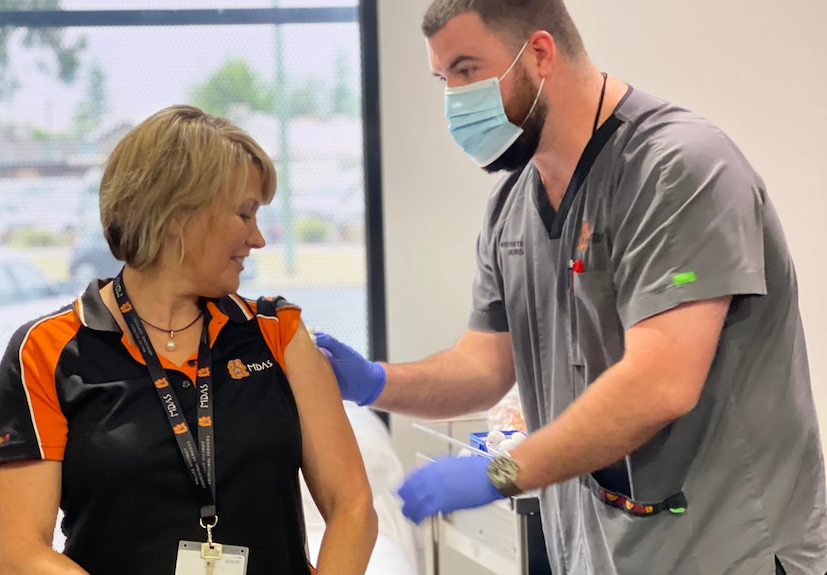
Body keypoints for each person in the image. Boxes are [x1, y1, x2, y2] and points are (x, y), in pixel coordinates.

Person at [314, 1, 827, 574]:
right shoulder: (512, 205)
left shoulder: (677, 169)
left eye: (466, 70)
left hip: (725, 549)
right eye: (443, 80)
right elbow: (483, 367)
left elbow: (662, 383)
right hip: (600, 551)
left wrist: (500, 472)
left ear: (538, 53)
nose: (454, 101)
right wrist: (374, 381)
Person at [0, 105, 377, 575]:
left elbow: (352, 507)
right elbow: (21, 553)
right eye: (244, 214)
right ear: (178, 214)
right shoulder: (46, 350)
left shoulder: (278, 334)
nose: (258, 239)